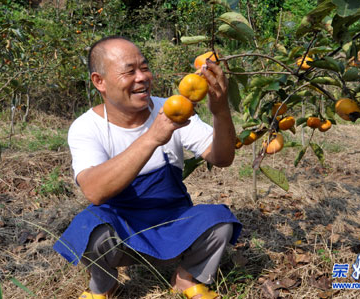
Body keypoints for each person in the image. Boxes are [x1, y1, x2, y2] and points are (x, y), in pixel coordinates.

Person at [53, 36, 242, 299]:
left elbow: (222, 158)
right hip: (122, 232)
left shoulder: (173, 109)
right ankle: (104, 285)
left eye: (144, 68)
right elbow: (94, 191)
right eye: (129, 71)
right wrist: (153, 137)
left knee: (219, 220)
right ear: (100, 81)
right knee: (88, 227)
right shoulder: (87, 127)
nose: (142, 77)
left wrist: (220, 110)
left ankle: (187, 279)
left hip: (175, 225)